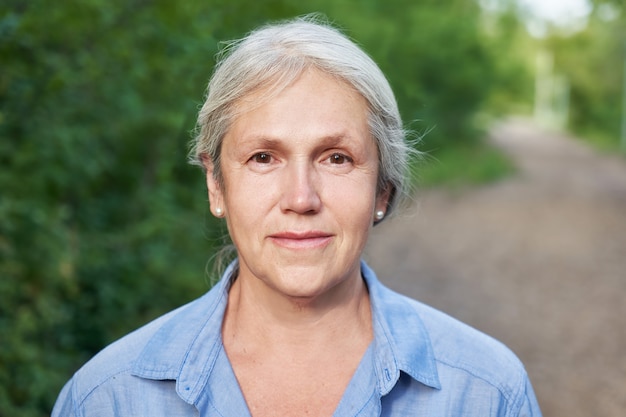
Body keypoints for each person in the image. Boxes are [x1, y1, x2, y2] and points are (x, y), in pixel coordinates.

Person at [52, 16, 542, 417]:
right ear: (215, 184)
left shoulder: (485, 393)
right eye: (263, 158)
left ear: (382, 189)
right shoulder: (107, 399)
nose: (301, 198)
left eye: (336, 158)